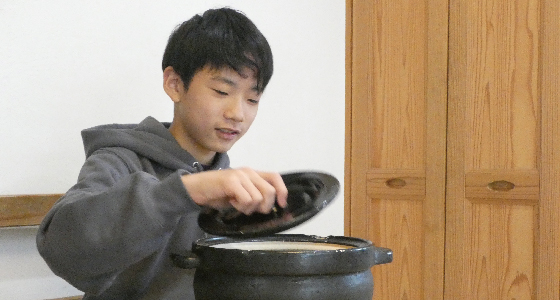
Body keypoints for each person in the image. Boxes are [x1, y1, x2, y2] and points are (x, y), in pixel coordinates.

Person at [36, 7, 288, 300]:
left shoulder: (229, 185)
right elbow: (63, 249)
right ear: (175, 84)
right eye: (221, 91)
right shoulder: (120, 161)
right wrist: (188, 191)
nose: (237, 113)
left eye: (252, 98)